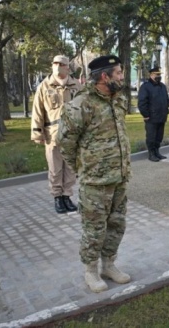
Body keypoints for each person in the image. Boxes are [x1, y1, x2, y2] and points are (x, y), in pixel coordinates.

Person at [57, 55, 131, 293]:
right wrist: (83, 167)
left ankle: (109, 265)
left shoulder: (118, 100)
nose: (122, 76)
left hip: (119, 177)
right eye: (118, 72)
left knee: (117, 224)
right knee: (94, 228)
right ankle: (90, 271)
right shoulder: (82, 104)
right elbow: (65, 142)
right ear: (104, 76)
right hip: (95, 182)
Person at [31, 55, 82, 214]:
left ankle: (67, 196)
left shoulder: (76, 86)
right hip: (53, 134)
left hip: (72, 134)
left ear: (68, 67)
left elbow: (84, 108)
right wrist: (37, 132)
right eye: (55, 64)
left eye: (61, 64)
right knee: (55, 168)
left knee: (70, 167)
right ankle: (57, 197)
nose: (57, 66)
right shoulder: (45, 86)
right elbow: (37, 111)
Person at [138, 67, 169, 162]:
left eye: (159, 75)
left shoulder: (162, 86)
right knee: (151, 136)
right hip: (151, 117)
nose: (158, 76)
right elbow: (142, 102)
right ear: (151, 75)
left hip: (162, 116)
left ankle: (157, 152)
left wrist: (166, 111)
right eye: (157, 74)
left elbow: (166, 100)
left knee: (159, 136)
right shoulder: (145, 86)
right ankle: (151, 154)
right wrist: (145, 114)